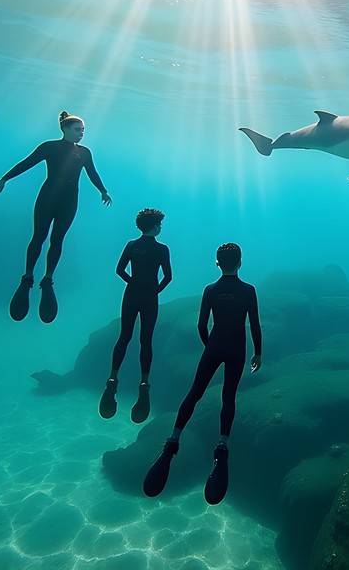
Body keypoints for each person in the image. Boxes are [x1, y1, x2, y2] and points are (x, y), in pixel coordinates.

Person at [143, 242, 262, 505]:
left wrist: (210, 345)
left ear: (217, 263)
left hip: (214, 347)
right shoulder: (249, 291)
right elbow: (254, 324)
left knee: (194, 393)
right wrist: (258, 353)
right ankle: (222, 446)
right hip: (236, 350)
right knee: (228, 397)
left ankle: (172, 441)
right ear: (240, 262)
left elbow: (201, 324)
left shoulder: (210, 290)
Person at [0, 110, 111, 323]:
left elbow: (92, 173)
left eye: (83, 130)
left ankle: (48, 279)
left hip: (69, 201)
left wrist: (103, 190)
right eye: (77, 130)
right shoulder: (50, 147)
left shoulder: (84, 153)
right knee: (39, 237)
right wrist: (4, 179)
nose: (81, 133)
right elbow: (26, 163)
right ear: (64, 129)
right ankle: (28, 277)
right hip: (47, 198)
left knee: (57, 239)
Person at [100, 208, 173, 423]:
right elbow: (168, 277)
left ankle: (113, 377)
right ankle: (144, 383)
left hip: (130, 295)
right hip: (150, 296)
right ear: (155, 226)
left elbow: (119, 270)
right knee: (146, 341)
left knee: (124, 336)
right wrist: (154, 290)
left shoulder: (132, 245)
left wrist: (132, 282)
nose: (161, 227)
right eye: (160, 224)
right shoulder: (162, 249)